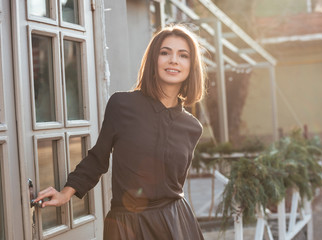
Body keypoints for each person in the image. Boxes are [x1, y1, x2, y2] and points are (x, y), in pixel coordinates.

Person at [35, 24, 206, 239]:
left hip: (175, 223)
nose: (174, 60)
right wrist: (65, 193)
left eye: (183, 55)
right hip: (127, 224)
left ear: (192, 66)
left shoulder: (192, 127)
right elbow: (98, 159)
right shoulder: (122, 104)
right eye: (165, 52)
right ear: (154, 60)